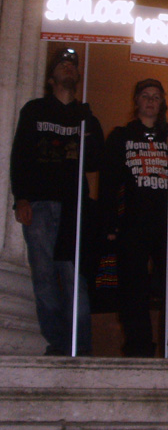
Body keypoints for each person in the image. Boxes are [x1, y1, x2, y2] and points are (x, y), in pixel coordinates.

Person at [10, 47, 104, 356]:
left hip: (73, 207)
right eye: (62, 65)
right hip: (37, 203)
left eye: (72, 66)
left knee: (73, 276)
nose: (68, 68)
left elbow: (94, 162)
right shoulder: (35, 110)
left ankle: (80, 345)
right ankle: (58, 341)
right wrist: (20, 197)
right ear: (51, 78)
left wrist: (88, 129)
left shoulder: (86, 117)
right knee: (43, 275)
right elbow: (20, 155)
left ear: (78, 76)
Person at [99, 79, 168, 358]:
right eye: (145, 96)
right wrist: (108, 224)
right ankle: (138, 345)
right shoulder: (121, 136)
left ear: (162, 103)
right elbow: (108, 182)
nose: (151, 101)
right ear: (137, 101)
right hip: (133, 220)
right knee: (133, 284)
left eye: (156, 96)